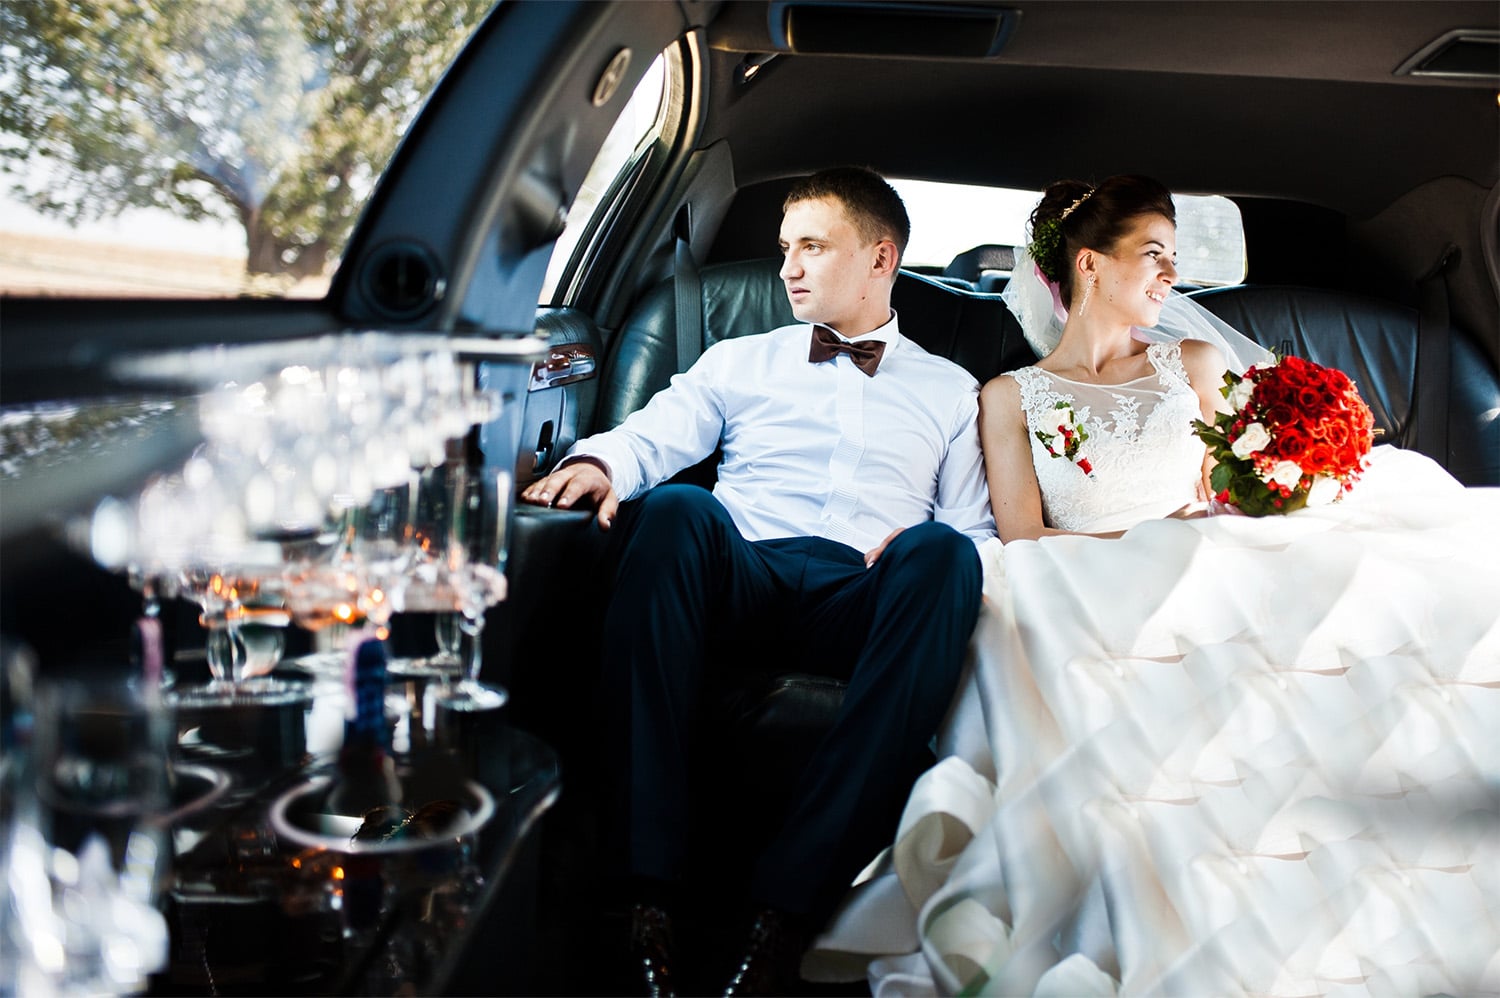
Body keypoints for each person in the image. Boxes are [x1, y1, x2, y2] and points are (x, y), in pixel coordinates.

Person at [804, 175, 1500, 996]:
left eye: (1174, 258)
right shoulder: (1007, 398)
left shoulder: (1197, 363)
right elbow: (1025, 536)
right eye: (1155, 255)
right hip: (1090, 580)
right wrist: (1153, 541)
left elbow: (1227, 493)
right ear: (1090, 266)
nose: (1173, 276)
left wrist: (1259, 490)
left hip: (1213, 566)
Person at [519, 166, 994, 996]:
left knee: (945, 557)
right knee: (671, 509)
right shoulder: (738, 360)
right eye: (784, 249)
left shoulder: (953, 391)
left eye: (813, 247)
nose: (788, 268)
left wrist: (919, 542)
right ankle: (641, 896)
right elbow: (652, 434)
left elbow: (973, 534)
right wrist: (596, 462)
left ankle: (786, 913)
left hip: (863, 593)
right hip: (741, 570)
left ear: (881, 257)